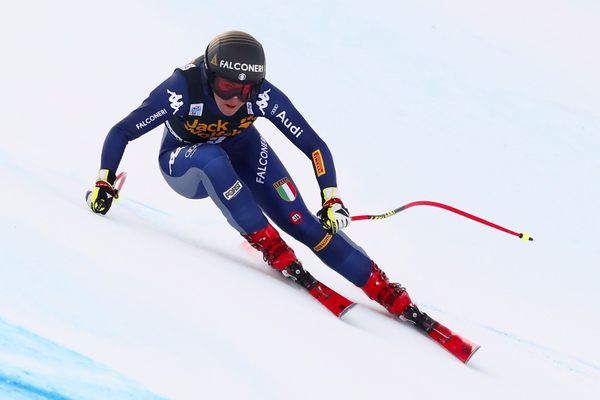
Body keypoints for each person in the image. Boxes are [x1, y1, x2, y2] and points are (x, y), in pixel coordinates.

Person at [86, 31, 414, 320]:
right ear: (209, 75)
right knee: (213, 158)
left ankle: (377, 284)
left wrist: (332, 198)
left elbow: (313, 144)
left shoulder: (263, 95)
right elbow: (123, 131)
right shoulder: (181, 88)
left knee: (302, 220)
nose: (234, 99)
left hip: (243, 151)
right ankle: (268, 243)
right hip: (184, 161)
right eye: (227, 86)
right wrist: (104, 181)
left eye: (245, 91)